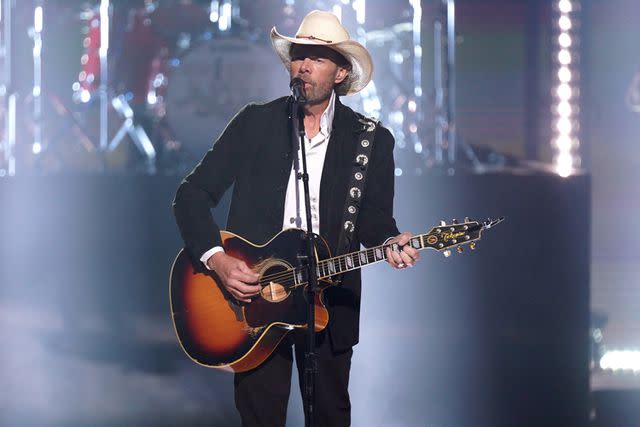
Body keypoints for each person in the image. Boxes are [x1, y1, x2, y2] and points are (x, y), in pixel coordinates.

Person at [173, 10, 420, 427]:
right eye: (298, 56)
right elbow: (190, 195)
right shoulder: (255, 123)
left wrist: (392, 240)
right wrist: (218, 259)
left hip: (327, 300)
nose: (303, 66)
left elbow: (373, 218)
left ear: (341, 73)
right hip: (253, 302)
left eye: (317, 58)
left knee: (329, 416)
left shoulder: (371, 141)